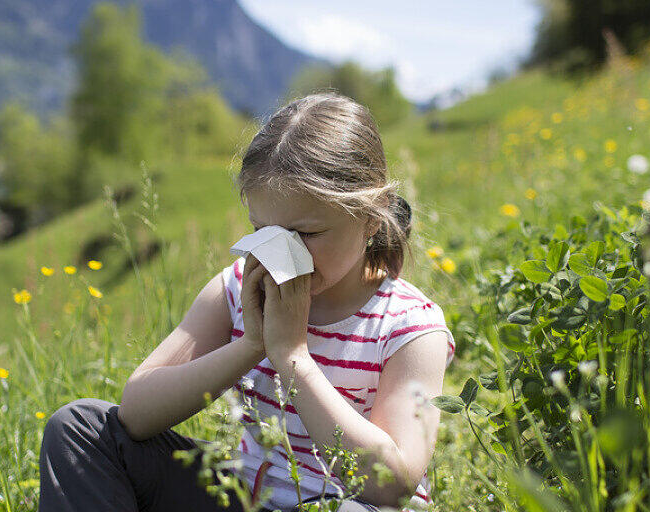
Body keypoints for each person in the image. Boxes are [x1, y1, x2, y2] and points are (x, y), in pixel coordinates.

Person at [38, 92, 456, 512]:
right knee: (80, 428)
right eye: (263, 231)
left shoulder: (408, 326)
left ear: (371, 215)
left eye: (306, 234)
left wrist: (293, 358)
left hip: (342, 503)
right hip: (244, 496)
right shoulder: (239, 288)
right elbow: (136, 412)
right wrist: (251, 344)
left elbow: (394, 484)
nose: (281, 253)